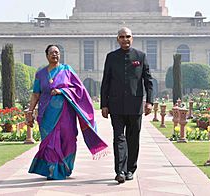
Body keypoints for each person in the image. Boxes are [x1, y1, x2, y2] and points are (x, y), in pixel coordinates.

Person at [26, 44, 108, 180]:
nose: (55, 55)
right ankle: (52, 170)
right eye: (52, 52)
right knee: (49, 142)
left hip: (66, 114)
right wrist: (30, 110)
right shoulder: (40, 74)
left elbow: (79, 90)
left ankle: (65, 168)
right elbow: (35, 94)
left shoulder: (67, 71)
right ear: (46, 56)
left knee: (68, 140)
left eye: (57, 52)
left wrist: (62, 90)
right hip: (46, 114)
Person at [100, 27, 153, 183]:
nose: (125, 39)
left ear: (132, 38)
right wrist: (104, 104)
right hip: (116, 105)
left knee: (133, 138)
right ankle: (120, 171)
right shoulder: (111, 57)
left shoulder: (140, 56)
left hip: (135, 104)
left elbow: (148, 81)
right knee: (119, 138)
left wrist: (149, 101)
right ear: (117, 39)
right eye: (122, 37)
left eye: (128, 36)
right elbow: (106, 82)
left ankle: (130, 169)